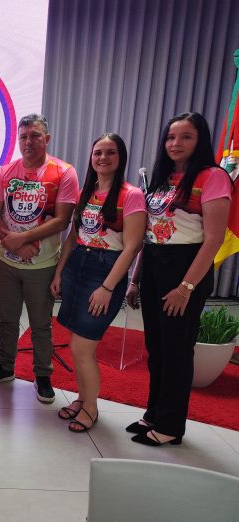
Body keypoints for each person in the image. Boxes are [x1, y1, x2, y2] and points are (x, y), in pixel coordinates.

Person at [126, 112, 232, 446]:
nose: (176, 143)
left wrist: (185, 288)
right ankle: (155, 413)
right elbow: (150, 234)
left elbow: (213, 239)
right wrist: (136, 279)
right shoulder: (163, 178)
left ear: (200, 140)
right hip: (155, 265)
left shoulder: (212, 177)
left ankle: (171, 426)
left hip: (185, 270)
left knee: (176, 349)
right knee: (156, 348)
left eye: (186, 137)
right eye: (171, 137)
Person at [50, 133, 146, 432]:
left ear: (121, 157)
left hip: (104, 271)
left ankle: (90, 408)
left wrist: (107, 287)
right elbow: (72, 237)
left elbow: (132, 246)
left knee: (83, 347)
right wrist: (59, 272)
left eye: (110, 152)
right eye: (98, 153)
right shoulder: (86, 193)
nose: (103, 158)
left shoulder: (131, 195)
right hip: (77, 265)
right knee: (77, 343)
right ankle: (82, 398)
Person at [0, 114, 79, 403]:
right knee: (7, 319)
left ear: (46, 139)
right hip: (7, 261)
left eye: (35, 136)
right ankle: (5, 366)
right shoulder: (5, 172)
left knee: (40, 323)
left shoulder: (64, 172)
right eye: (23, 136)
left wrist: (22, 240)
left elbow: (62, 220)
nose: (28, 141)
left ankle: (43, 375)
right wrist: (13, 243)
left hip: (43, 264)